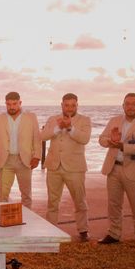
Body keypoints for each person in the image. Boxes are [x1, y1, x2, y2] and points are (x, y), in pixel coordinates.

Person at [98, 93, 135, 252]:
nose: (130, 107)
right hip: (113, 167)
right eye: (127, 104)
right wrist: (110, 141)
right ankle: (114, 234)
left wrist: (122, 146)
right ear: (123, 105)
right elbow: (101, 139)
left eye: (134, 104)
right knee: (114, 204)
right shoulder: (114, 120)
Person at [40, 93, 92, 241]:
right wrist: (57, 128)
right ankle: (51, 229)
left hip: (75, 168)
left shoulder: (84, 120)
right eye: (67, 105)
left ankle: (83, 230)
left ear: (77, 105)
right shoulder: (52, 119)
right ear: (61, 105)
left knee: (79, 200)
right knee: (52, 201)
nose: (69, 108)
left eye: (73, 105)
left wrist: (70, 127)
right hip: (54, 166)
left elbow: (85, 139)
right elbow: (42, 136)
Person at [0, 92, 41, 207]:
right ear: (5, 104)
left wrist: (37, 156)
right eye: (8, 104)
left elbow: (36, 138)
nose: (11, 107)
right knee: (3, 195)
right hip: (5, 161)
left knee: (26, 195)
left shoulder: (31, 117)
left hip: (25, 160)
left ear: (20, 103)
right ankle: (3, 221)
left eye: (14, 104)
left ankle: (28, 221)